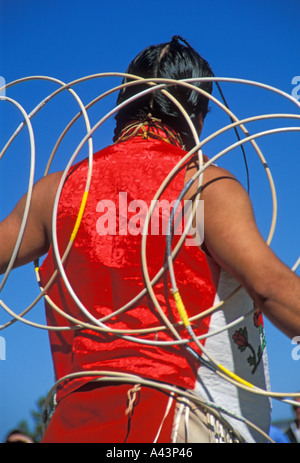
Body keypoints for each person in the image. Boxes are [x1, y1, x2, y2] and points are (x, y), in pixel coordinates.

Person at [1, 36, 300, 443]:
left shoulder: (57, 192)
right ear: (196, 115)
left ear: (121, 102)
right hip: (173, 423)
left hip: (73, 423)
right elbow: (270, 287)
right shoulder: (203, 187)